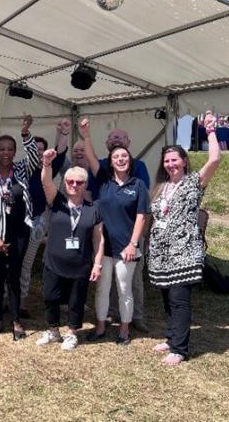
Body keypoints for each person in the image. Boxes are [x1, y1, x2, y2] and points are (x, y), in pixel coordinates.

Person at [149, 111, 221, 365]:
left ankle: (179, 349)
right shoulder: (160, 187)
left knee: (180, 301)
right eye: (167, 161)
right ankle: (171, 338)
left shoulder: (193, 182)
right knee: (168, 298)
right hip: (162, 253)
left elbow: (214, 159)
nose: (170, 164)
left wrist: (211, 131)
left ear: (184, 161)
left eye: (174, 160)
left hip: (184, 252)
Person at [80, 118, 149, 345]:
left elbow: (141, 216)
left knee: (123, 288)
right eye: (116, 157)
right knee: (101, 288)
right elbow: (90, 157)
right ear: (110, 161)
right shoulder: (104, 181)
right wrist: (86, 135)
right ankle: (100, 326)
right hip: (103, 246)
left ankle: (125, 329)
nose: (120, 159)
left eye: (124, 157)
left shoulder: (138, 185)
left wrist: (133, 244)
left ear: (130, 161)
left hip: (126, 247)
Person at [0, 116, 38, 339]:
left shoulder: (22, 169)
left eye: (9, 149)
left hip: (19, 231)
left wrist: (25, 133)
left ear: (14, 152)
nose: (5, 152)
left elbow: (35, 156)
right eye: (1, 149)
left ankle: (16, 321)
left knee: (14, 275)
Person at [36, 150, 103, 351]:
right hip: (53, 262)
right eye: (70, 181)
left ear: (85, 185)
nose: (74, 185)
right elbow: (46, 182)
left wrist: (97, 264)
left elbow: (99, 240)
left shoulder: (93, 209)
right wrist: (46, 164)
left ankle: (72, 333)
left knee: (76, 301)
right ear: (65, 183)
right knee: (51, 297)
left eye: (79, 182)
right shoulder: (56, 201)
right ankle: (54, 331)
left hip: (80, 264)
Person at [19, 120, 70, 316]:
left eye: (42, 149)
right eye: (35, 149)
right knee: (13, 262)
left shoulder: (49, 170)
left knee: (27, 262)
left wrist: (63, 132)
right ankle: (9, 297)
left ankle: (22, 302)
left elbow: (61, 150)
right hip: (17, 222)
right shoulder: (22, 169)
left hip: (38, 221)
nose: (39, 152)